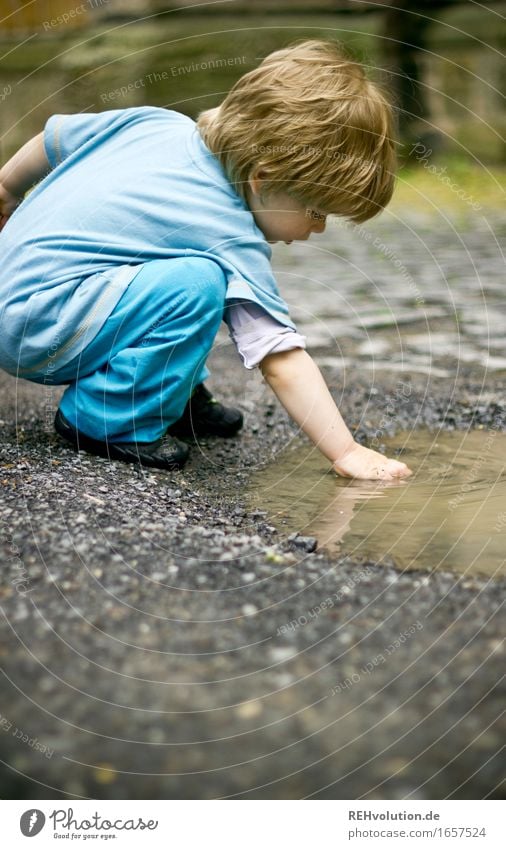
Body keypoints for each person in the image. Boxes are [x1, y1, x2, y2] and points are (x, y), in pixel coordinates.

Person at [0, 40, 411, 481]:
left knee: (178, 273)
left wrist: (6, 187)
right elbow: (279, 356)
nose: (320, 228)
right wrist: (346, 450)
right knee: (199, 283)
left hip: (24, 300)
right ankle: (109, 416)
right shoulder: (229, 230)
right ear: (265, 178)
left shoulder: (153, 121)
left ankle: (169, 395)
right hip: (37, 331)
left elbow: (54, 139)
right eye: (317, 211)